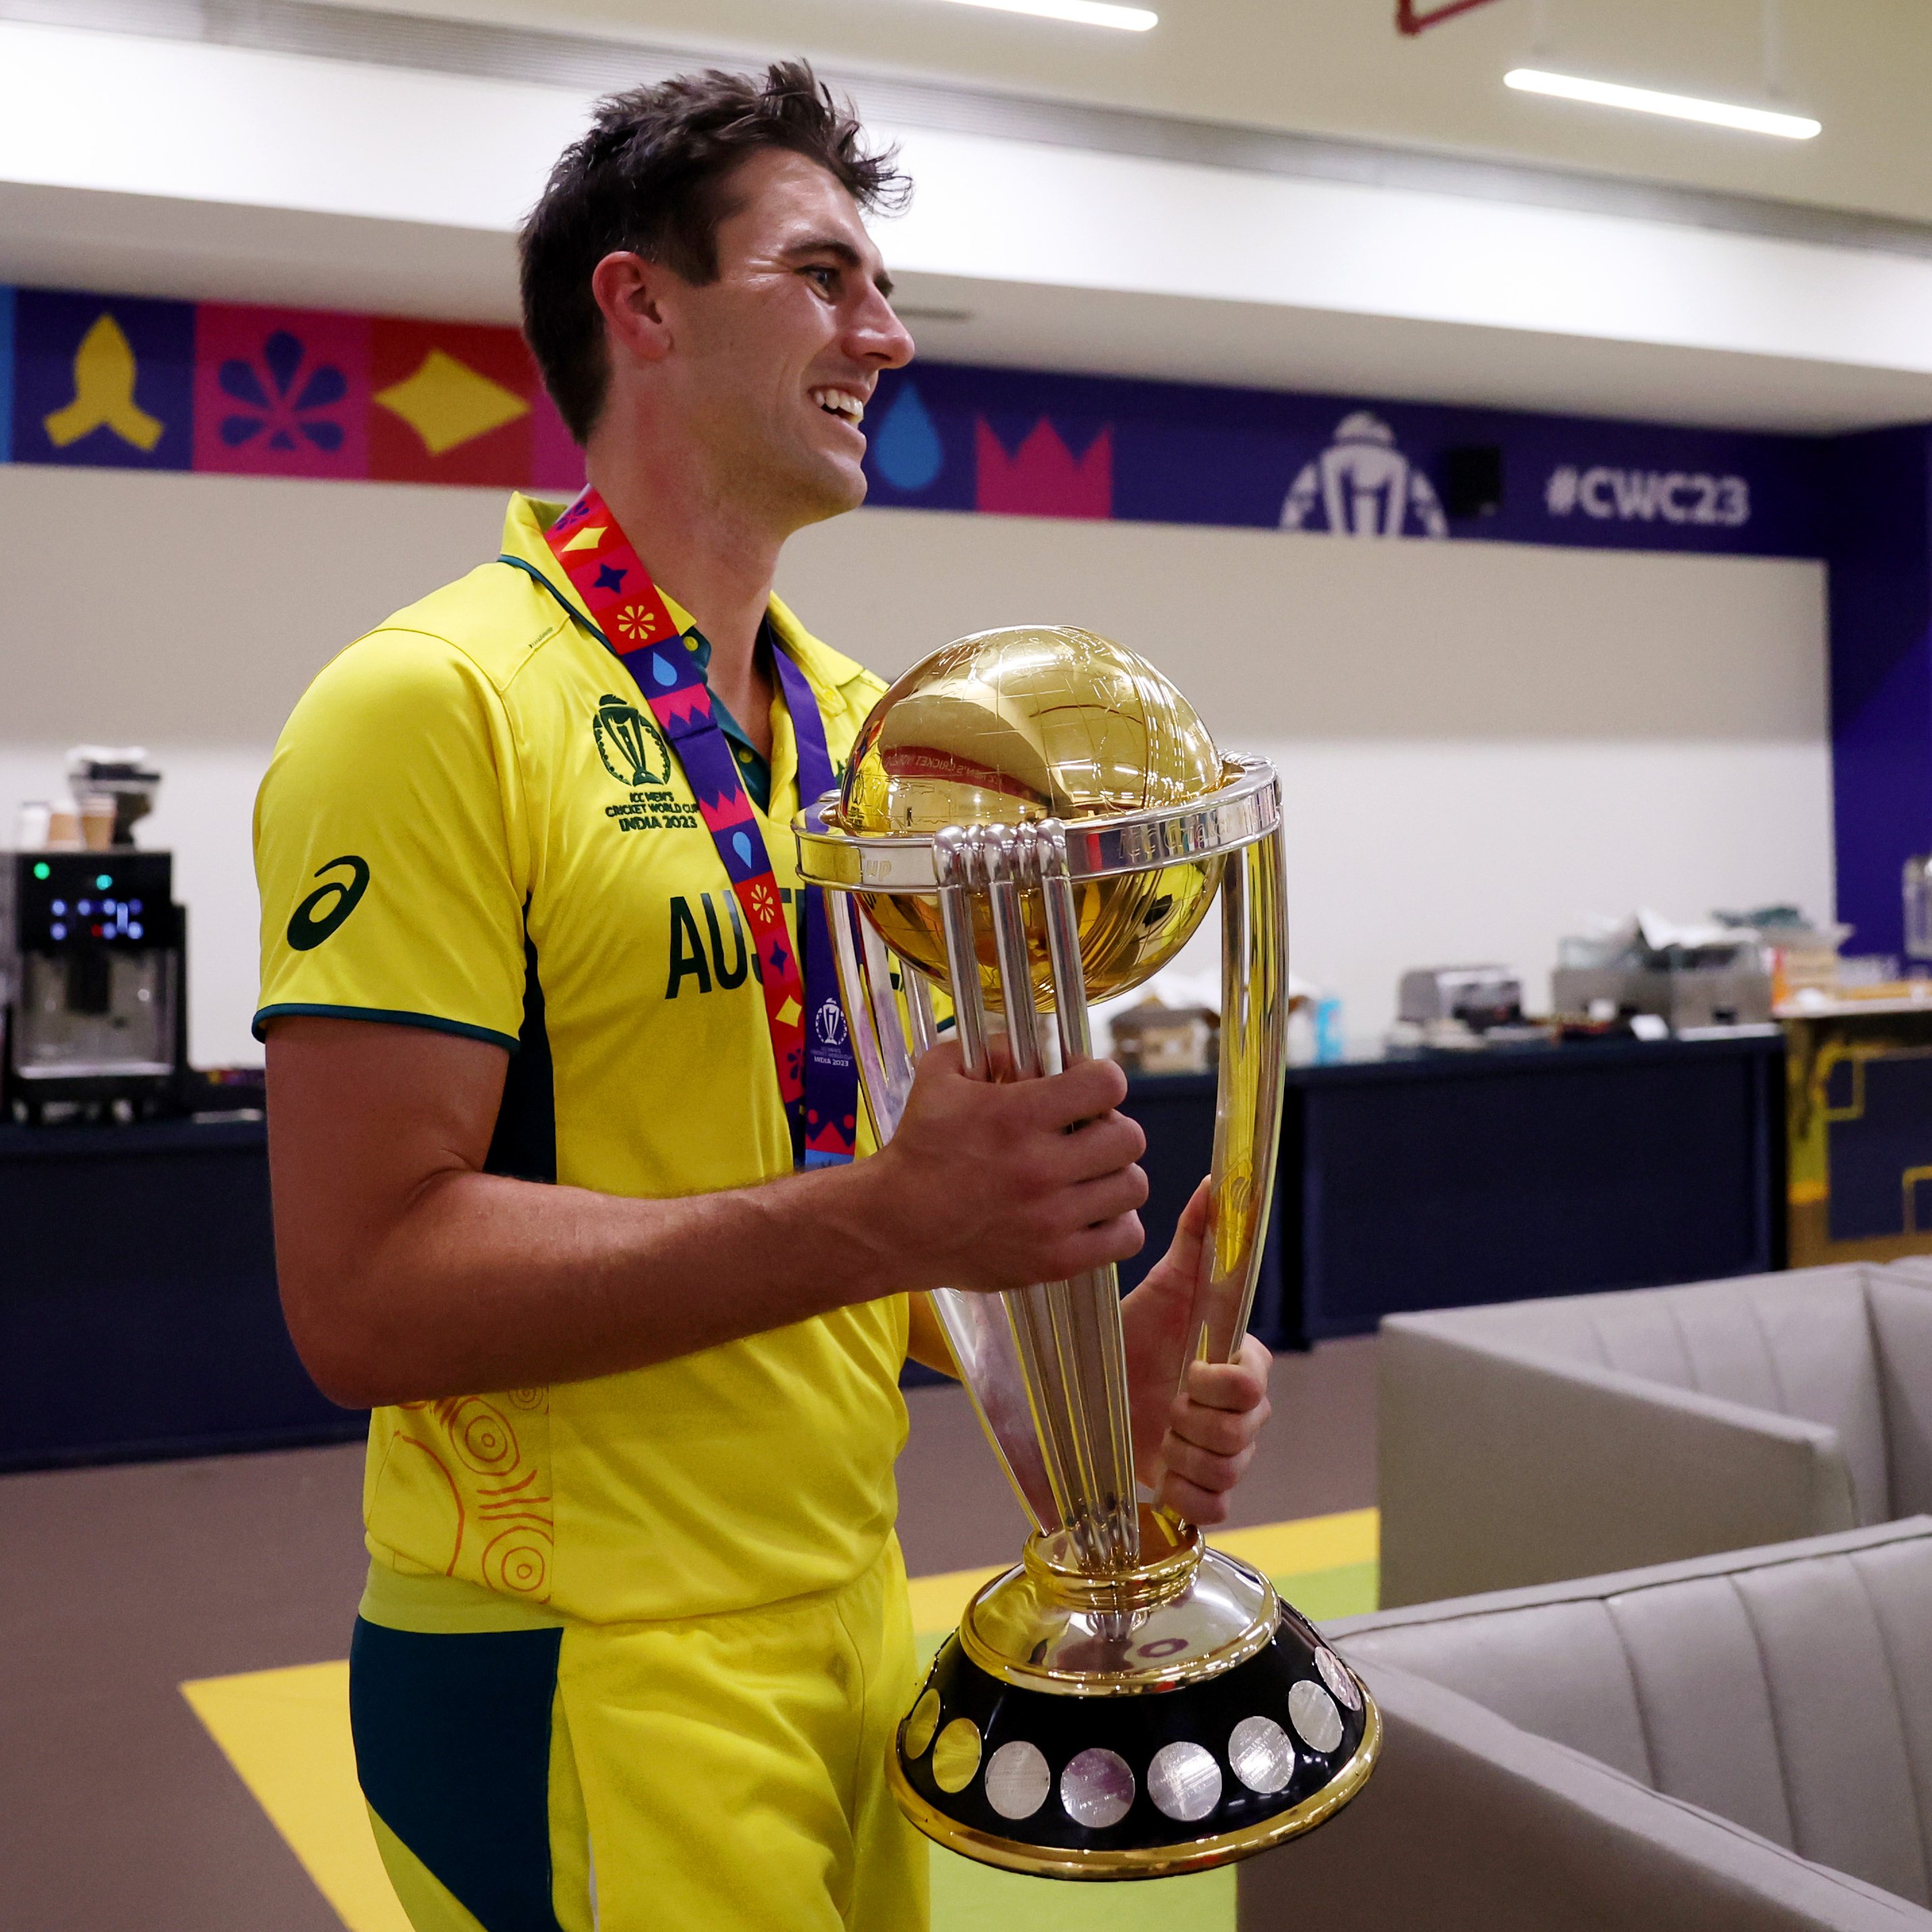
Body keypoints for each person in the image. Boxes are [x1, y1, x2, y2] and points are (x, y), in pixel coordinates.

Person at [254, 60, 1273, 1932]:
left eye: (878, 287)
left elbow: (837, 1242)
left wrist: (1074, 1407)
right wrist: (890, 1211)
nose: (882, 332)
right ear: (640, 306)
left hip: (852, 1625)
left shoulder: (877, 745)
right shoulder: (434, 701)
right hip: (577, 1657)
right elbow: (361, 1290)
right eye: (822, 273)